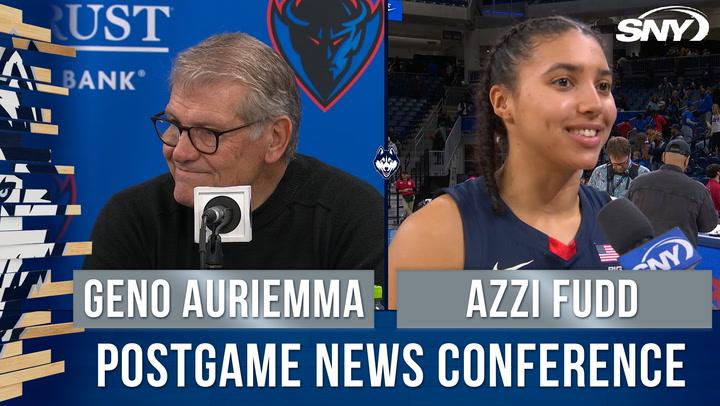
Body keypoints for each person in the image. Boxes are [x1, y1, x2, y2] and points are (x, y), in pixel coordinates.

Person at [84, 33, 384, 284]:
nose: (180, 152)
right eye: (174, 125)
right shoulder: (131, 219)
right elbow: (96, 350)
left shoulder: (352, 217)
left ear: (275, 138)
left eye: (207, 133)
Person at [389, 16, 619, 308]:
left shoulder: (623, 226)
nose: (594, 103)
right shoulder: (435, 234)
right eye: (564, 82)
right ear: (502, 102)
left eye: (603, 85)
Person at [626, 139, 717, 247]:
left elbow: (626, 215)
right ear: (687, 161)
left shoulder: (638, 182)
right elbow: (708, 226)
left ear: (663, 157)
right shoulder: (699, 190)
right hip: (677, 256)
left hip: (641, 254)